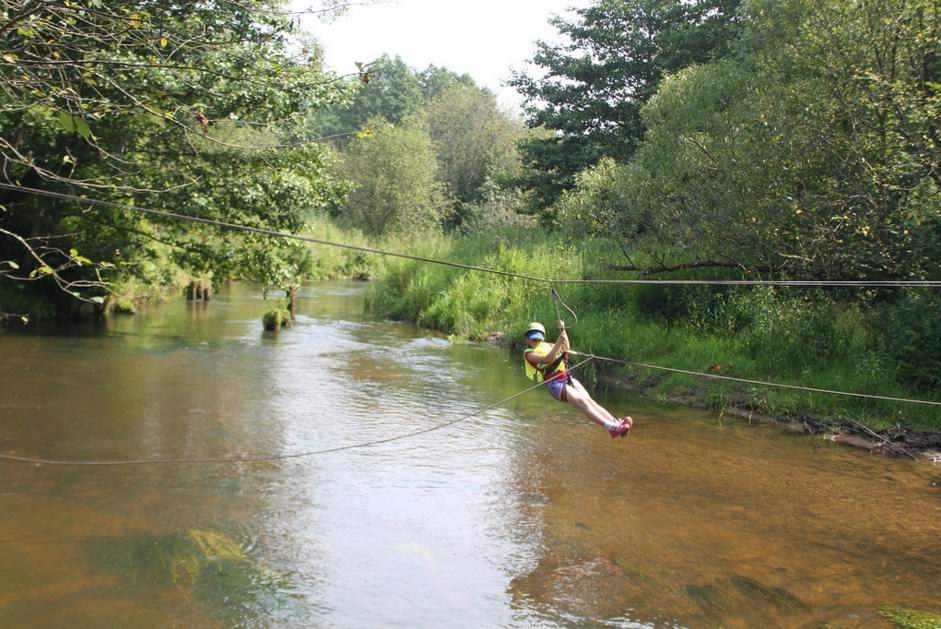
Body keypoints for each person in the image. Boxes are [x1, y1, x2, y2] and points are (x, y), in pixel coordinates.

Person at [523, 320, 633, 438]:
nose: (537, 341)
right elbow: (548, 360)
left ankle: (616, 424)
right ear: (527, 339)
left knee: (590, 401)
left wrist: (562, 329)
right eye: (533, 339)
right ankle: (611, 427)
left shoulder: (549, 345)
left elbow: (566, 347)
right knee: (582, 401)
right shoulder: (529, 353)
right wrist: (557, 343)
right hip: (555, 384)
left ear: (543, 338)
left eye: (539, 339)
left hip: (567, 378)